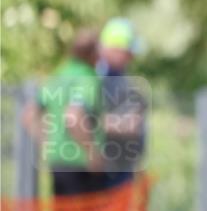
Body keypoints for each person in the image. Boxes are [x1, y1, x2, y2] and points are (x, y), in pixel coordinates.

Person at [21, 29, 107, 196]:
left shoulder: (58, 75)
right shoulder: (87, 77)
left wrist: (47, 144)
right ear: (93, 53)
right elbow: (73, 116)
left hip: (58, 162)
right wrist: (92, 153)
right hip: (81, 165)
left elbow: (29, 115)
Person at [97, 17, 147, 188]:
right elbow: (89, 121)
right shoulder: (97, 78)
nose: (131, 58)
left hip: (122, 169)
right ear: (113, 49)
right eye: (127, 52)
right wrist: (125, 125)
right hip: (104, 170)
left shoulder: (122, 78)